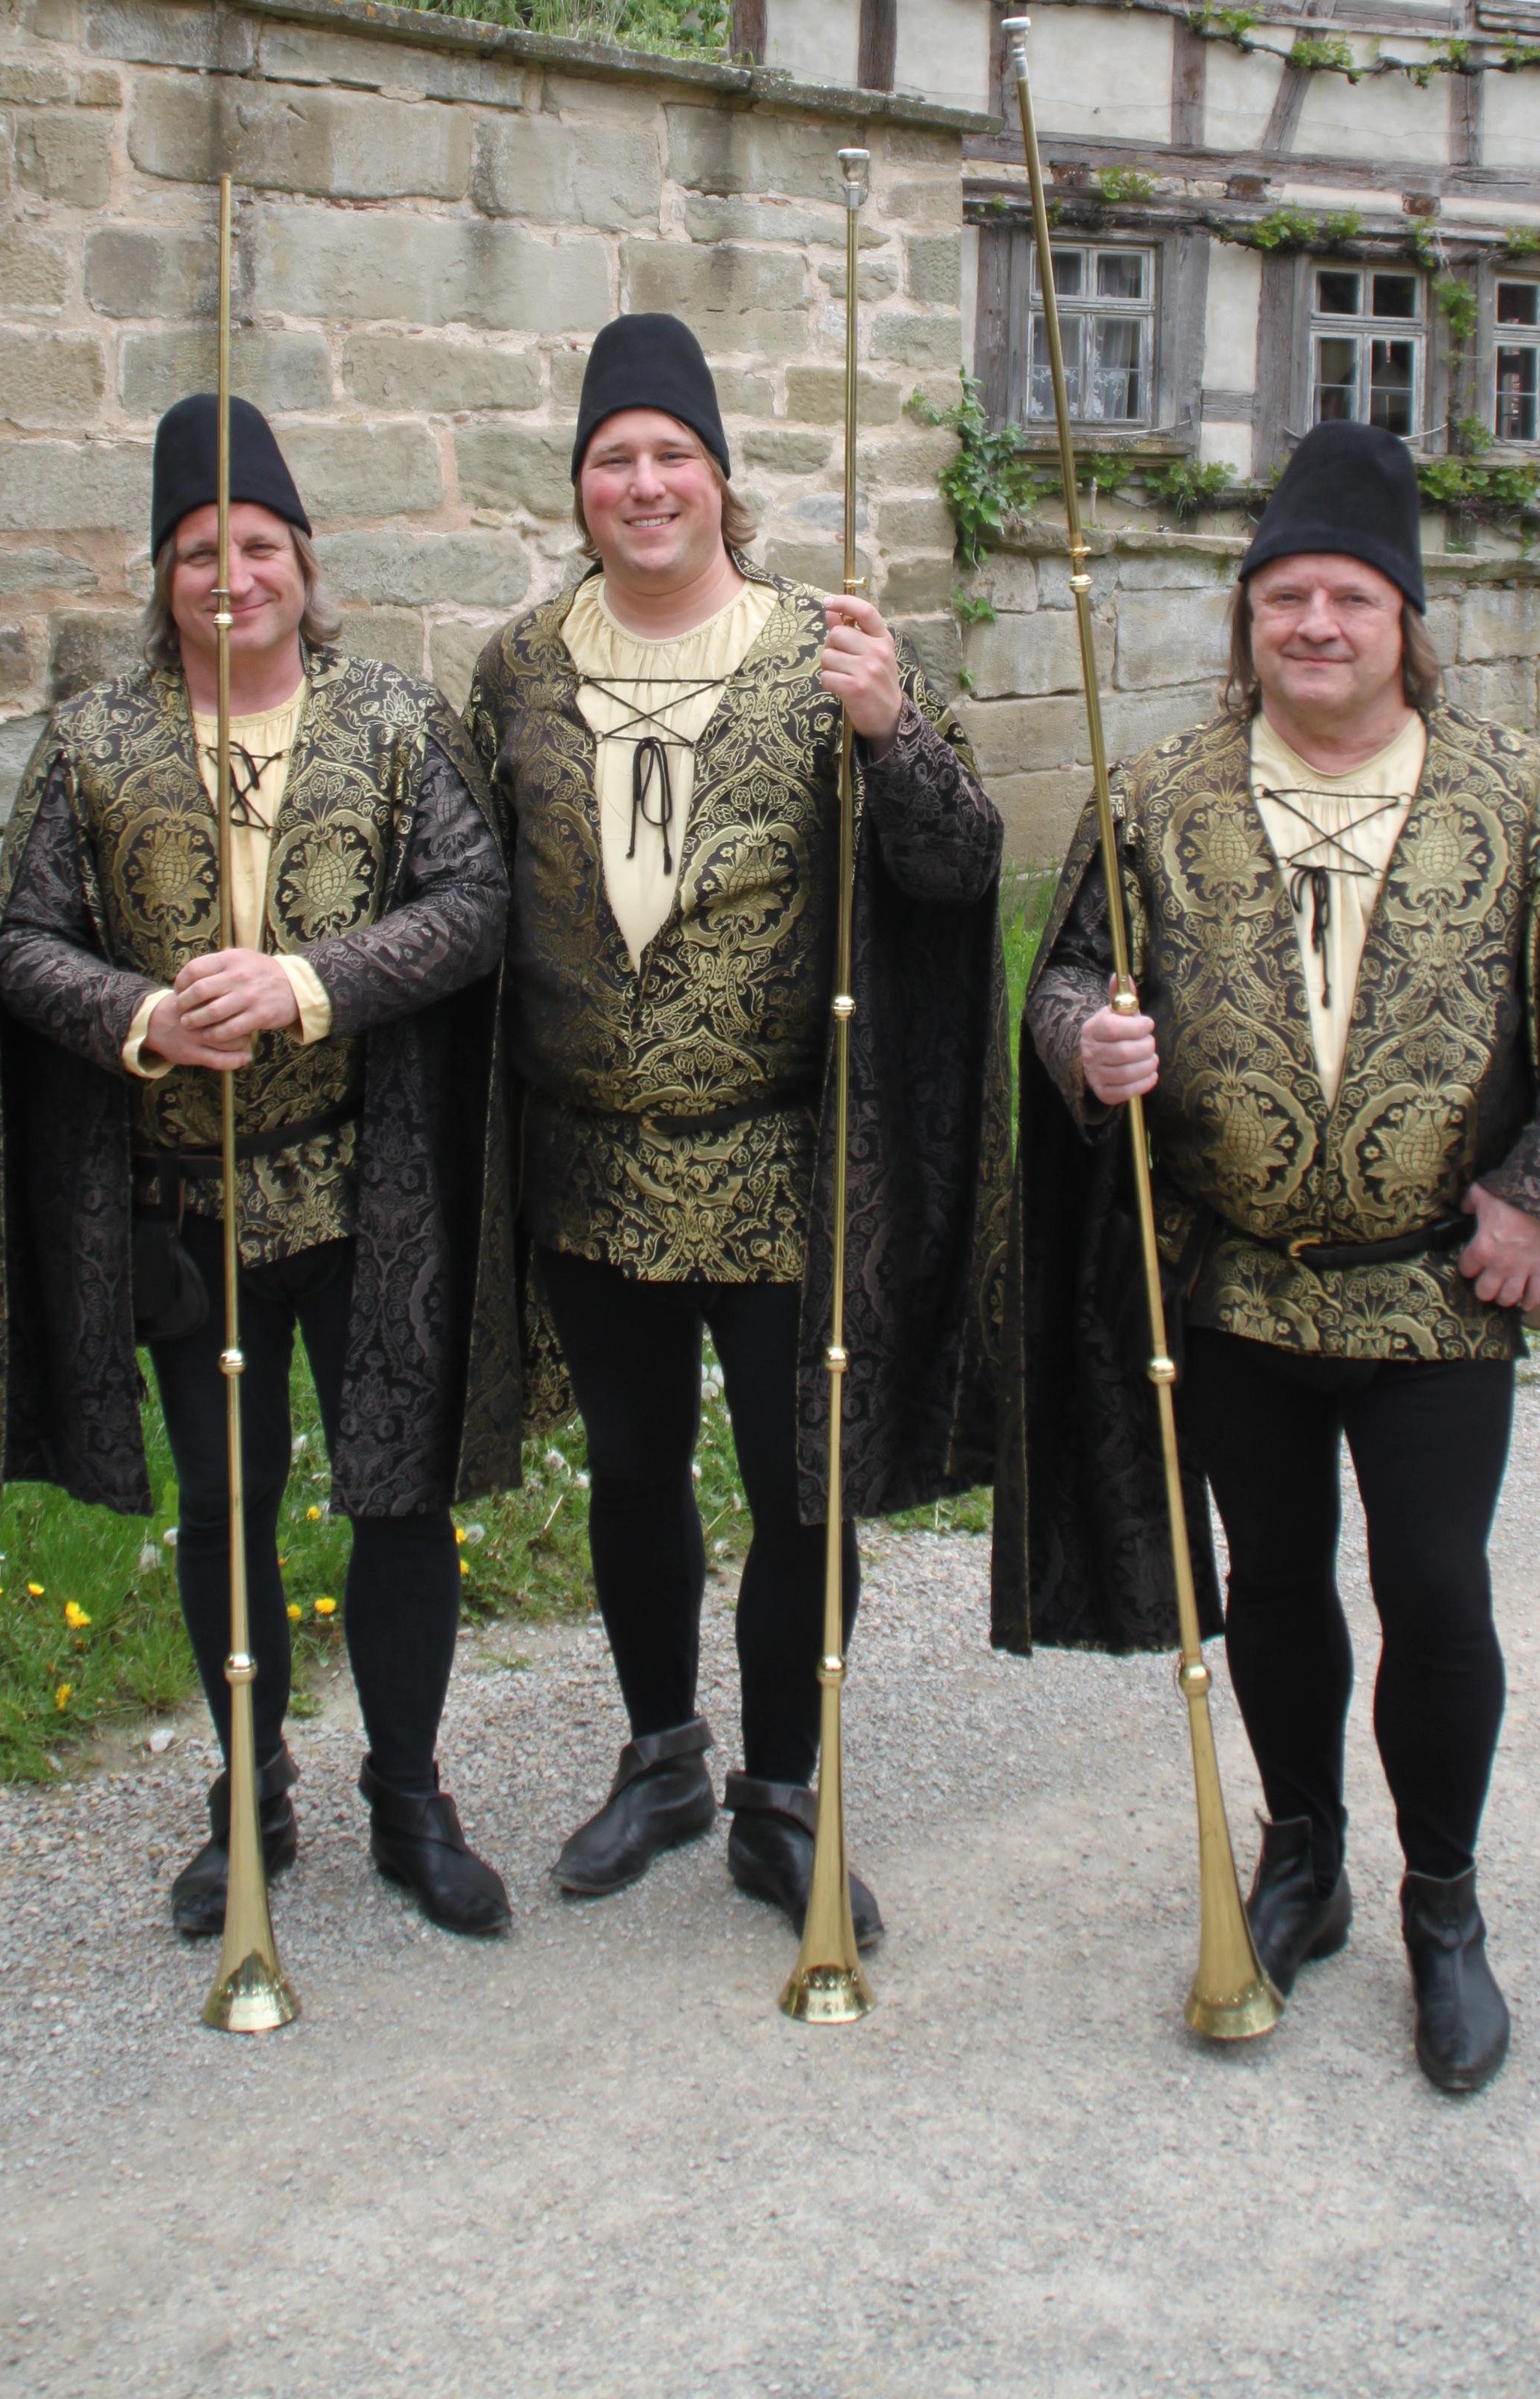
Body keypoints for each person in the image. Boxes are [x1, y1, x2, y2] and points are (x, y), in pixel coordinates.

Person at [999, 419, 1540, 2094]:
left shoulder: (1515, 793)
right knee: (1276, 1585)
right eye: (1283, 599)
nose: (1314, 626)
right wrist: (1084, 1048)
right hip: (1235, 1288)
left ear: (1405, 623)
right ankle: (1301, 1856)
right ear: (1248, 622)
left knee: (1437, 1590)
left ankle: (1441, 1905)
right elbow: (1064, 979)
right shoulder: (1157, 796)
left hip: (1436, 1292)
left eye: (1349, 601)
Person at [463, 313, 1007, 1947]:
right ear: (581, 488)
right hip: (592, 1159)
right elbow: (471, 889)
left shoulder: (822, 647)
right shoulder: (516, 667)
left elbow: (962, 863)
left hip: (782, 1160)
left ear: (720, 480)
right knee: (632, 1471)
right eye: (614, 458)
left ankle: (782, 1791)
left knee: (796, 1488)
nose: (644, 485)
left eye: (671, 457)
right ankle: (664, 1756)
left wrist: (891, 731)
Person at [0, 393, 515, 1944]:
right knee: (228, 1503)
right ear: (164, 574)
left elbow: (475, 907)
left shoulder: (398, 724)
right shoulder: (96, 740)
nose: (233, 578)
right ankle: (249, 1794)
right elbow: (21, 941)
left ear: (306, 562)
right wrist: (142, 1014)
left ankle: (408, 1795)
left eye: (260, 547)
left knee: (397, 1498)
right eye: (202, 551)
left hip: (369, 1195)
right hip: (183, 1205)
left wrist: (311, 983)